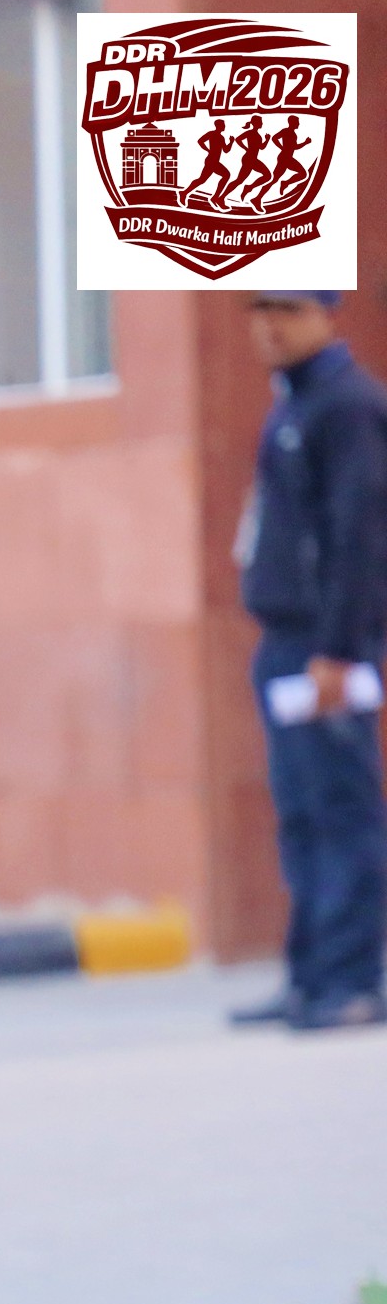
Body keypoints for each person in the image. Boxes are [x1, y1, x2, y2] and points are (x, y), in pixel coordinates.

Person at [233, 291, 387, 1031]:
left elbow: (360, 536)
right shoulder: (292, 403)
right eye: (258, 309)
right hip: (286, 640)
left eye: (287, 309)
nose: (269, 325)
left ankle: (352, 982)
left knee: (341, 811)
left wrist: (338, 649)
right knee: (300, 814)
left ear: (328, 314)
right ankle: (309, 976)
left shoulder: (347, 406)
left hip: (325, 647)